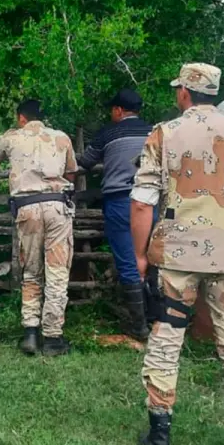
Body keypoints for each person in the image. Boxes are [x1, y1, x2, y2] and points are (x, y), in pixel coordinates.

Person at [130, 64, 224, 445]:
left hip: (176, 257)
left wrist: (140, 255)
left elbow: (142, 202)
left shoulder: (165, 133)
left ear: (184, 91)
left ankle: (159, 433)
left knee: (167, 340)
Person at [0, 100, 77, 356]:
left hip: (27, 208)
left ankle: (30, 332)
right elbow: (70, 173)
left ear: (21, 117)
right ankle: (53, 337)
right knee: (57, 271)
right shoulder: (61, 137)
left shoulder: (11, 138)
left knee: (31, 271)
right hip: (57, 207)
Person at [78, 88, 153, 340]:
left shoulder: (108, 133)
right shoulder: (155, 132)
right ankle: (156, 318)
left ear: (119, 110)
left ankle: (139, 326)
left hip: (121, 201)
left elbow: (85, 162)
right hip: (153, 201)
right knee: (153, 257)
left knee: (128, 260)